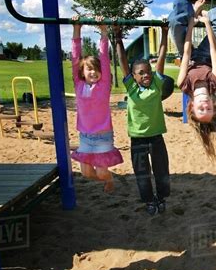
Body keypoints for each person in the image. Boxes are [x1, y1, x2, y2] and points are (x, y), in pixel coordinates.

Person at [114, 24, 171, 216]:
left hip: (156, 137)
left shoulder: (156, 83)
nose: (146, 75)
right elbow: (122, 60)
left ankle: (161, 198)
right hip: (138, 138)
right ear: (134, 76)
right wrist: (118, 37)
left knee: (161, 171)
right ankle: (149, 200)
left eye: (148, 71)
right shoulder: (131, 87)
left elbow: (161, 58)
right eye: (142, 73)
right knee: (142, 173)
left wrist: (164, 33)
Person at [169, 0, 216, 159]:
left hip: (186, 54)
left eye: (201, 109)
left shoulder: (183, 84)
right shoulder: (214, 81)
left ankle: (192, 11)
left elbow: (187, 52)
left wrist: (191, 25)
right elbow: (213, 51)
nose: (205, 105)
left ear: (192, 106)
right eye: (209, 109)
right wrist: (206, 24)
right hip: (205, 54)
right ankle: (206, 14)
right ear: (213, 105)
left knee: (176, 22)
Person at [70, 15, 123, 193]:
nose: (93, 72)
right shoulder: (79, 85)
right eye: (89, 68)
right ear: (82, 72)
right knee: (86, 173)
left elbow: (104, 58)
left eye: (96, 69)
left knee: (101, 173)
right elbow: (75, 58)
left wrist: (103, 32)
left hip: (102, 136)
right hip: (85, 135)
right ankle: (105, 179)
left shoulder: (103, 85)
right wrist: (77, 29)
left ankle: (109, 179)